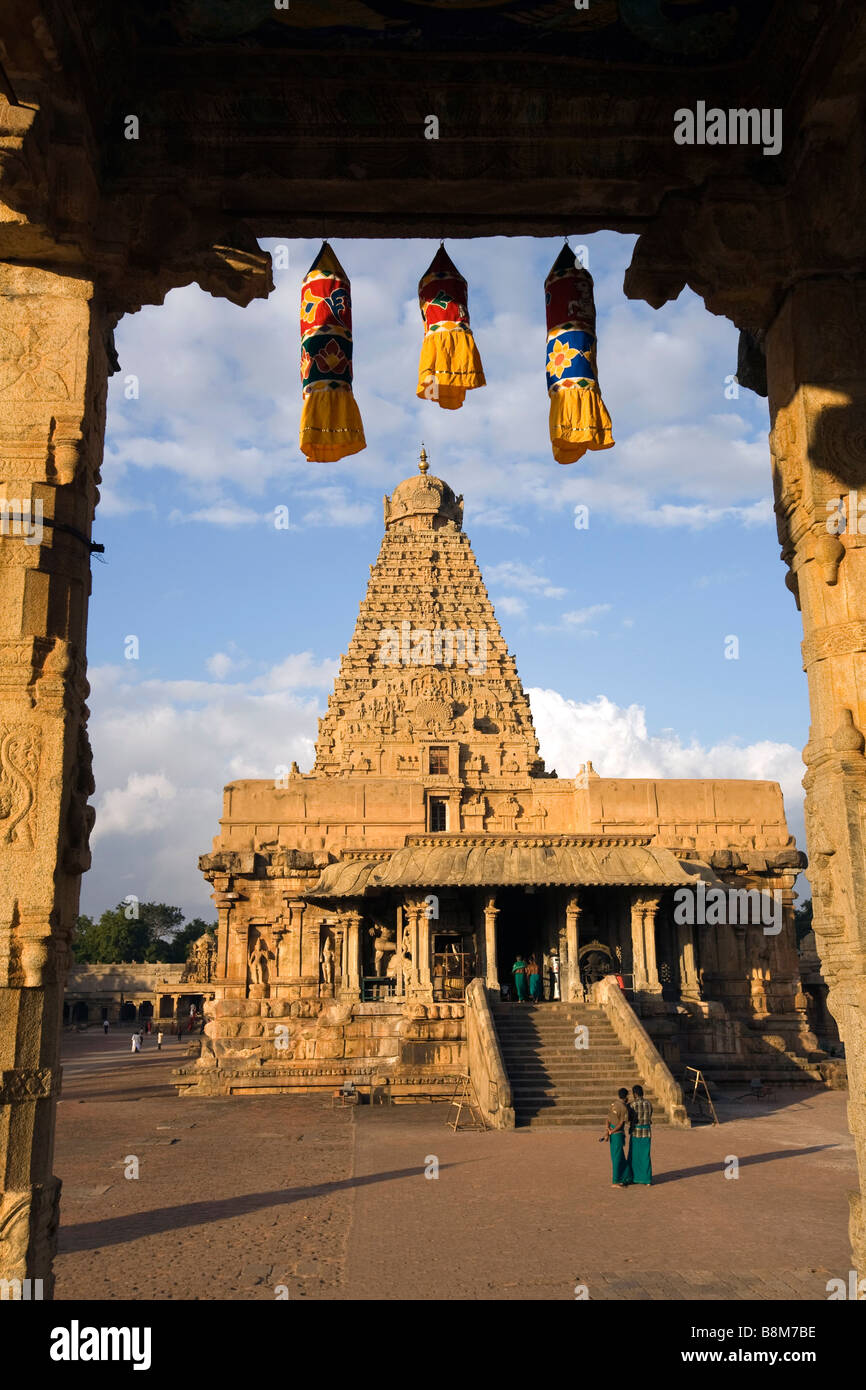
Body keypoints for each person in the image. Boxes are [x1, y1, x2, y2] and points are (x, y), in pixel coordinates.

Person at [606, 1087, 632, 1187]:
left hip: (612, 1132)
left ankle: (624, 1177)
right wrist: (612, 1131)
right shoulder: (624, 1108)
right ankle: (615, 1181)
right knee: (617, 1157)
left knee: (618, 1156)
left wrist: (607, 1130)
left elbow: (607, 1118)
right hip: (617, 1134)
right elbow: (621, 1123)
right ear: (626, 1097)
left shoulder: (613, 1104)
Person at [629, 1084, 653, 1186]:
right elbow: (650, 1114)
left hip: (636, 1132)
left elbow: (630, 1118)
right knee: (645, 1156)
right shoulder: (649, 1103)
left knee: (634, 1156)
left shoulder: (633, 1105)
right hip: (646, 1132)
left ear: (635, 1094)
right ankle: (647, 1179)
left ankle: (635, 1177)